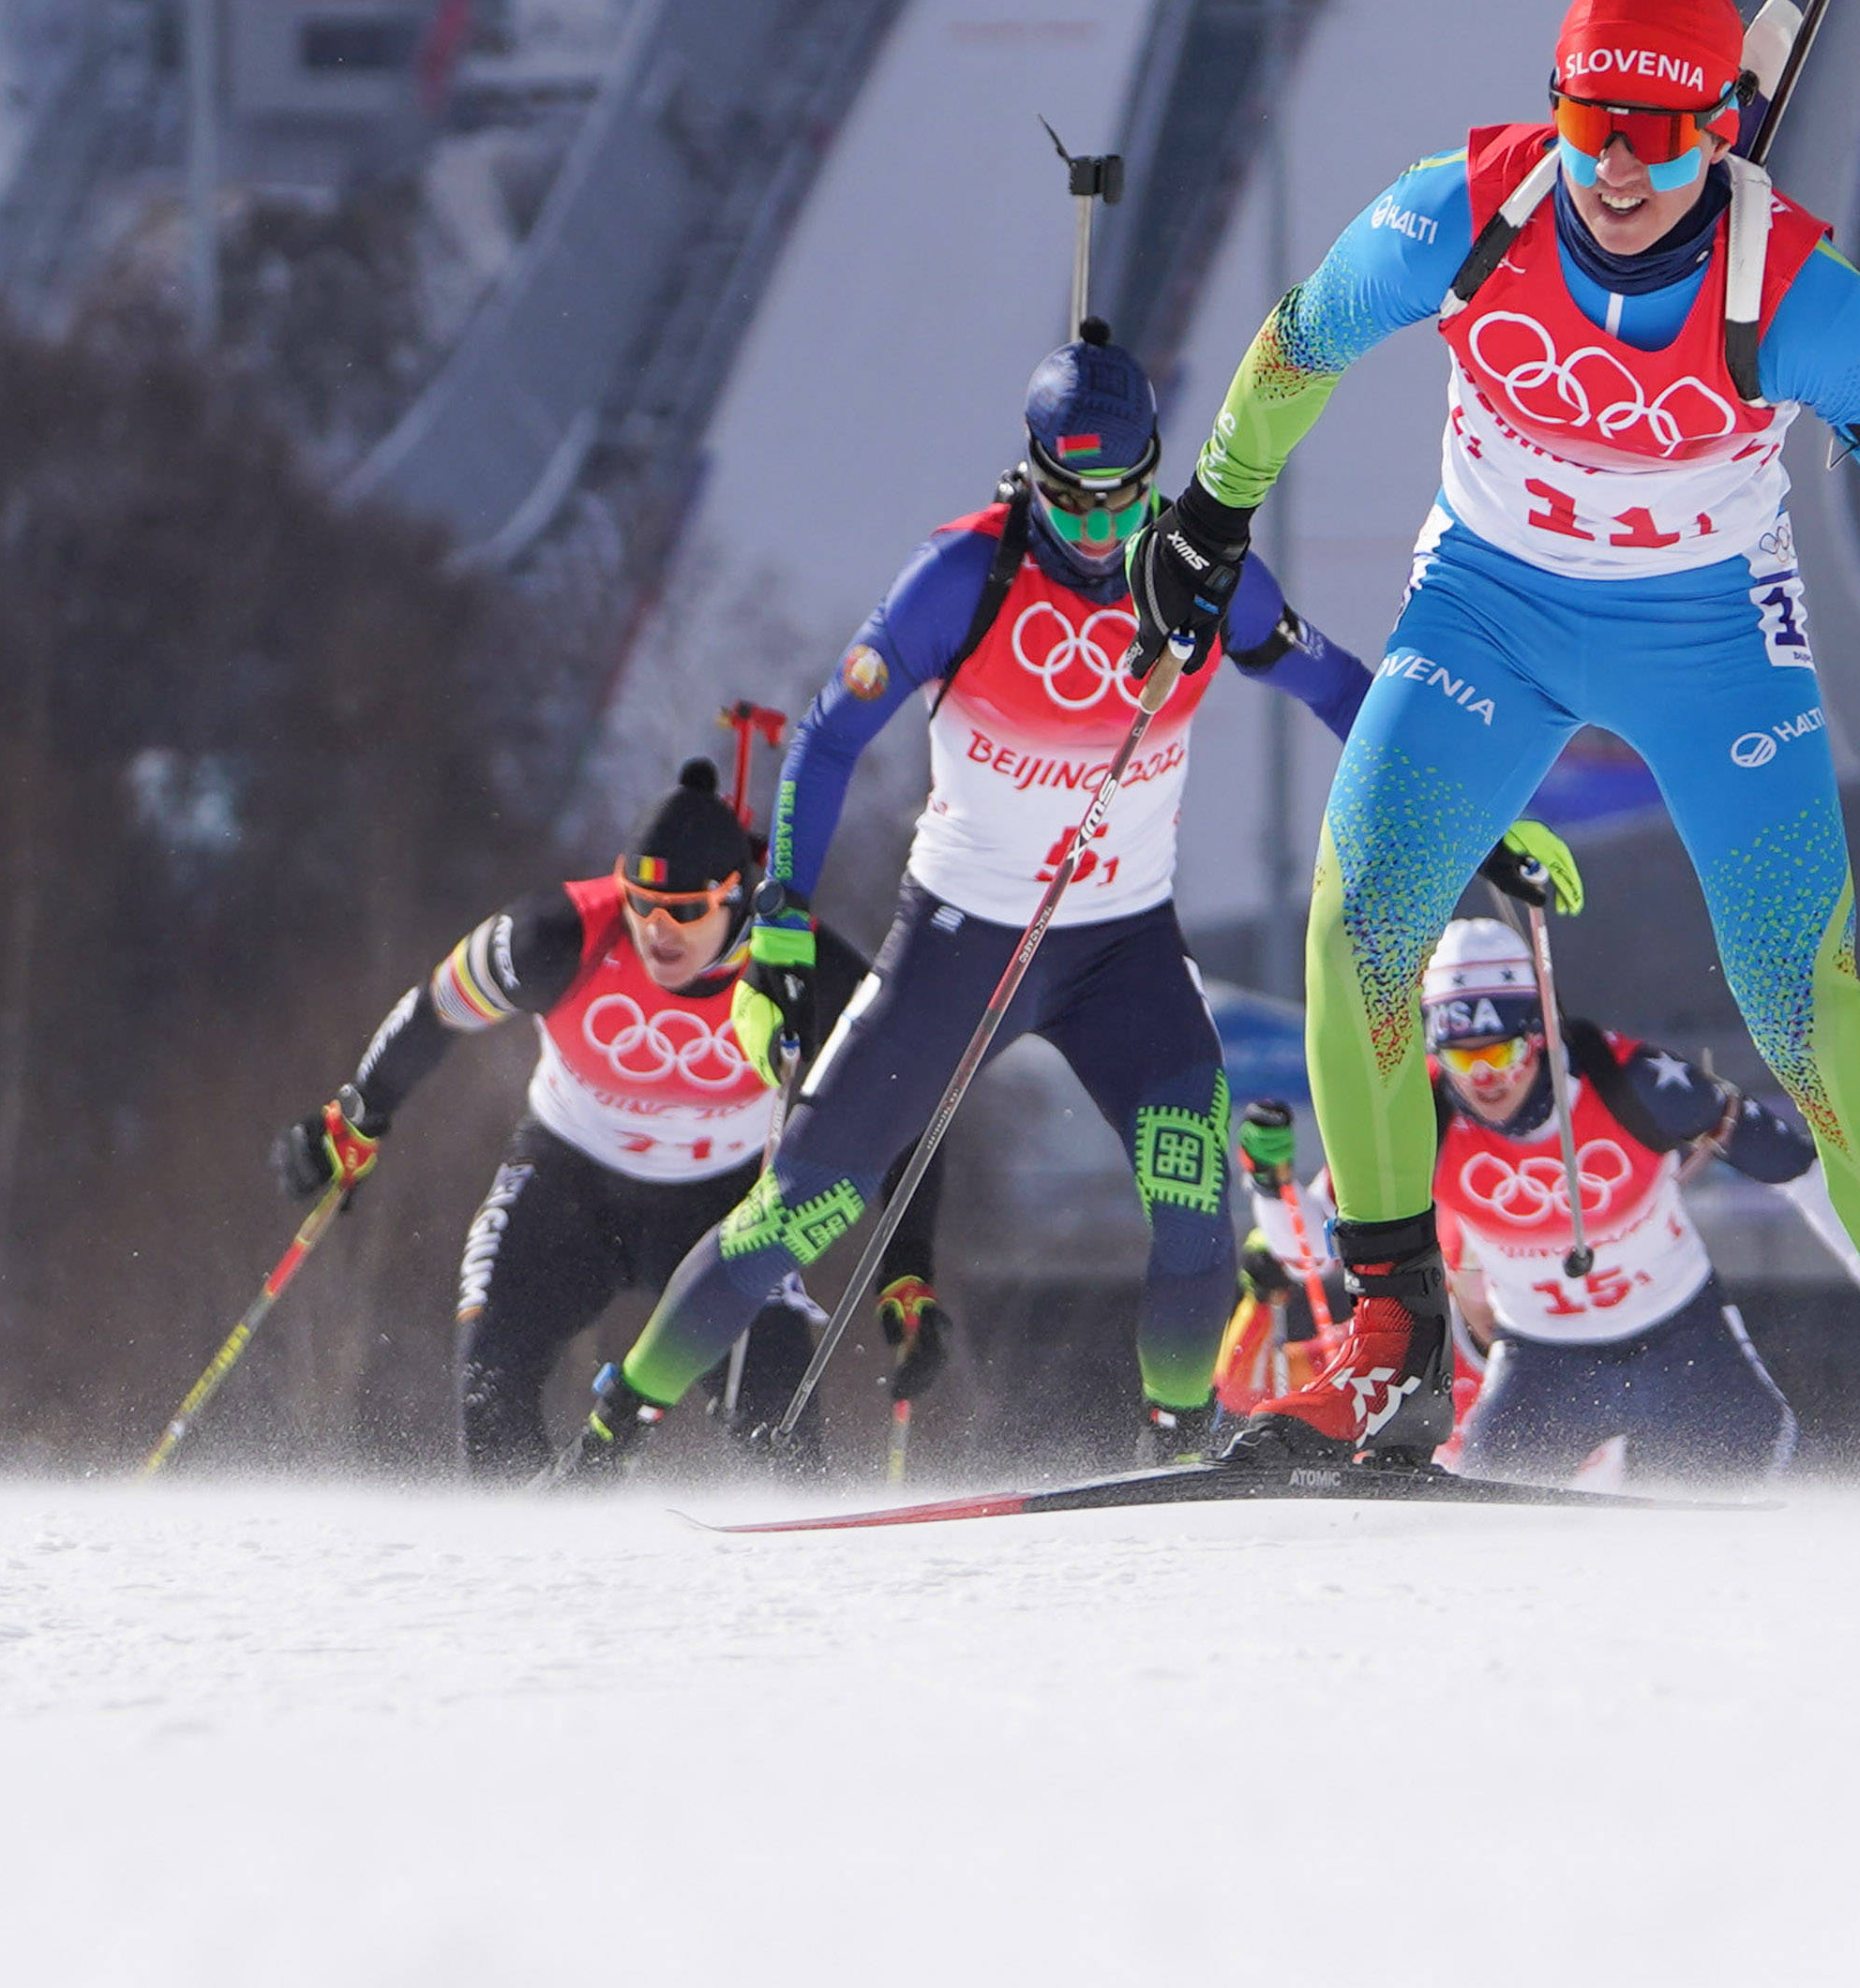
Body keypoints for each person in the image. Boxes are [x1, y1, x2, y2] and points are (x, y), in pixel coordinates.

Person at [1131, 0, 1860, 1496]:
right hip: (1488, 616)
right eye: (1592, 126)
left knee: (1802, 1010)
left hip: (1707, 643)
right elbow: (1304, 334)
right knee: (1356, 928)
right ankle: (1387, 1340)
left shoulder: (1799, 299)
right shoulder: (1460, 211)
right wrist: (1210, 505)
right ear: (1555, 109)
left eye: (1659, 135)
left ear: (1722, 127)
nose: (1619, 170)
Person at [575, 332, 1408, 1472]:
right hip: (959, 943)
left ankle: (1179, 1444)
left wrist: (1459, 797)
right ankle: (611, 1427)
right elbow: (826, 738)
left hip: (1121, 954)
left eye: (1124, 497)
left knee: (1190, 1198)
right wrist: (781, 916)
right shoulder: (962, 574)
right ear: (1032, 472)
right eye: (1074, 499)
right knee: (801, 1209)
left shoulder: (1203, 574)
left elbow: (1339, 686)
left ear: (1153, 471)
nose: (1101, 528)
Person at [275, 756, 929, 1478]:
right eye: (640, 904)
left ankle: (799, 1533)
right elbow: (437, 1006)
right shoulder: (555, 936)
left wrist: (908, 1268)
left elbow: (908, 1106)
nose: (657, 931)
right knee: (491, 1388)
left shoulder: (802, 970)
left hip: (724, 1205)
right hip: (567, 1183)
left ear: (736, 899)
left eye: (685, 911)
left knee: (781, 1428)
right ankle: (522, 1532)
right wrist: (358, 1114)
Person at [1237, 917, 1857, 1483]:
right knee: (1481, 1513)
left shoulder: (1634, 1082)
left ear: (1537, 1034)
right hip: (1543, 1364)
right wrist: (1270, 1183)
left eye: (1498, 1051)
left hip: (1681, 1343)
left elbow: (1800, 1171)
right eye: (1460, 1057)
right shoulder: (1422, 1115)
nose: (1483, 1078)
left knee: (1775, 1488)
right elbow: (1307, 1254)